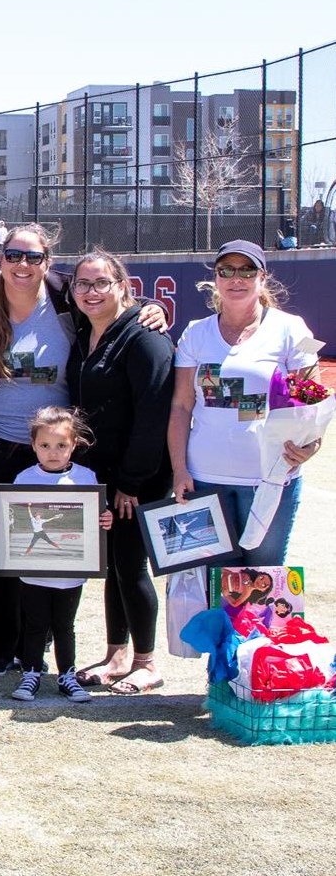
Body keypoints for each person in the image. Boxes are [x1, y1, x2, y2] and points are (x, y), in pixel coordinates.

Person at [169, 239, 322, 567]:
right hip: (205, 479)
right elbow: (181, 406)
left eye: (247, 270)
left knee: (261, 586)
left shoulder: (290, 330)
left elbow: (312, 403)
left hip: (269, 481)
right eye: (227, 270)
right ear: (216, 278)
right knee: (211, 588)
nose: (236, 279)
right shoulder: (196, 333)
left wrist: (312, 444)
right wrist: (180, 470)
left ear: (262, 278)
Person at [0, 222, 72, 676]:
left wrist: (152, 312)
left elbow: (117, 305)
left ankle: (38, 648)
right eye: (13, 255)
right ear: (0, 258)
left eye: (32, 257)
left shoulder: (68, 305)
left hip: (50, 452)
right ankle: (1, 645)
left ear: (47, 262)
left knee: (45, 555)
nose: (22, 265)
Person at [66, 250, 173, 696]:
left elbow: (154, 414)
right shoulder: (85, 333)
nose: (91, 292)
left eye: (101, 283)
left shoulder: (143, 337)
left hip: (137, 478)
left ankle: (147, 662)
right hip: (103, 475)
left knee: (130, 565)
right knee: (113, 566)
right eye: (83, 284)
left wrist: (131, 481)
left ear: (122, 287)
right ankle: (117, 654)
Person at [10, 406, 111, 704]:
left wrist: (105, 520)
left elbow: (95, 519)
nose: (52, 452)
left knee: (65, 625)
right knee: (35, 623)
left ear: (74, 444)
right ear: (33, 446)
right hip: (33, 570)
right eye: (44, 445)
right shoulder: (23, 479)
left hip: (71, 571)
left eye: (61, 445)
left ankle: (67, 674)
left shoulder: (87, 478)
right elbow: (12, 519)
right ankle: (30, 674)